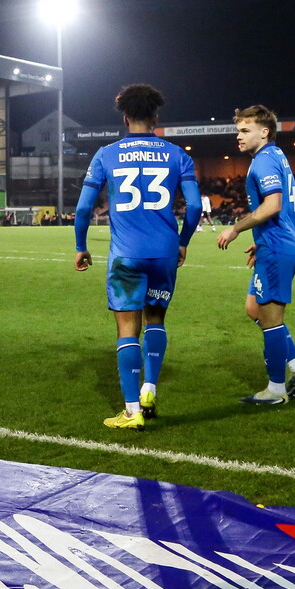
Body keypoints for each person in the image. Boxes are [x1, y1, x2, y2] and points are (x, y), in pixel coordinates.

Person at [74, 84, 202, 430]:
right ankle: (149, 390)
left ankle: (131, 412)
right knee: (156, 320)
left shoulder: (106, 154)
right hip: (163, 254)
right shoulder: (178, 155)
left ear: (125, 117)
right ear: (155, 118)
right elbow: (193, 206)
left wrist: (80, 245)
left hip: (127, 255)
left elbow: (85, 207)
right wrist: (183, 241)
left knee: (127, 328)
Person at [216, 105, 295, 403]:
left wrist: (236, 229)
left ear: (265, 131)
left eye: (245, 131)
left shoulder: (262, 162)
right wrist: (262, 240)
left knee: (272, 320)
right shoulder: (277, 156)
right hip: (275, 244)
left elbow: (272, 206)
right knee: (253, 308)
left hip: (278, 248)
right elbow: (280, 211)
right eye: (238, 131)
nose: (239, 136)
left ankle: (275, 390)